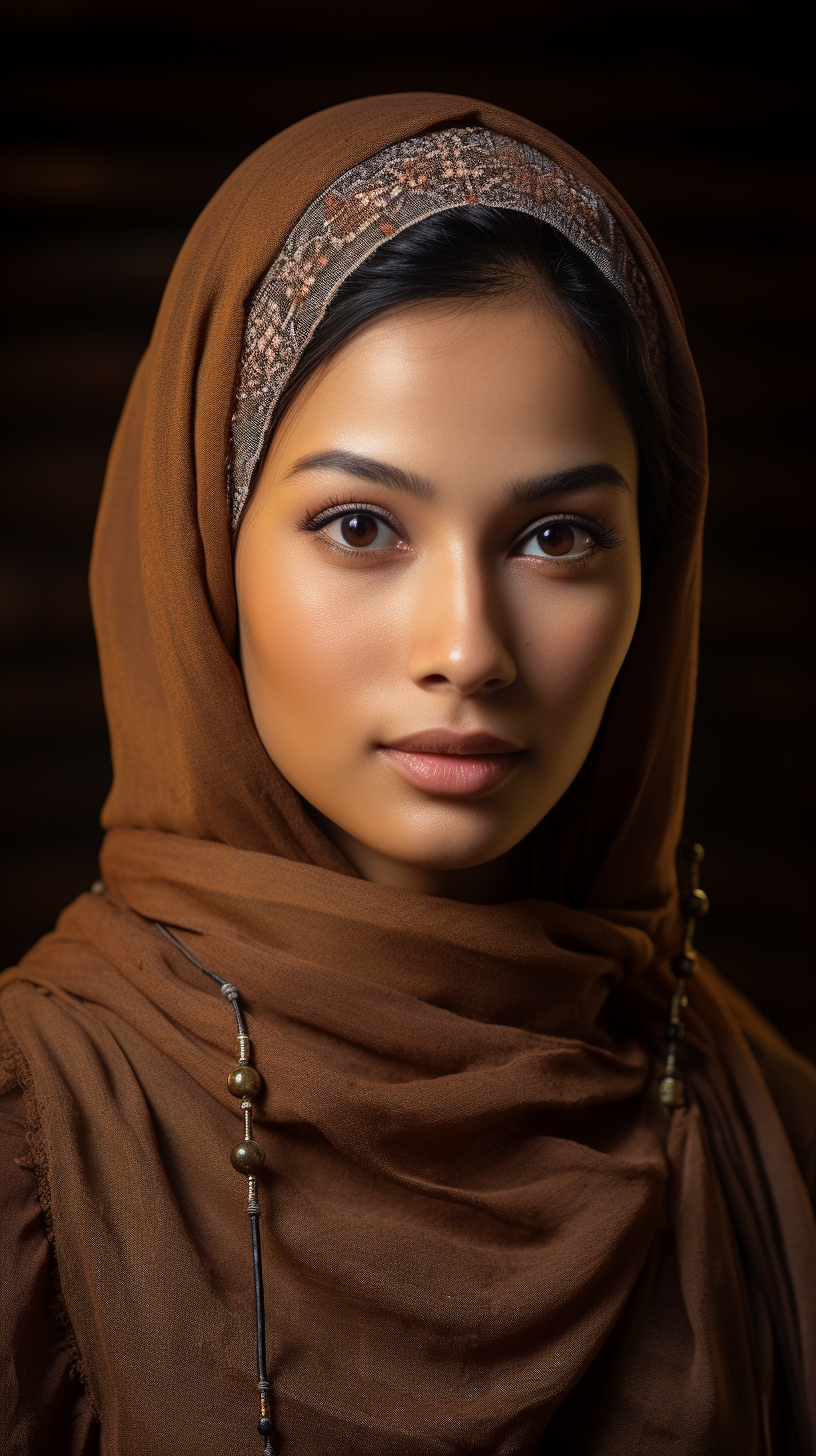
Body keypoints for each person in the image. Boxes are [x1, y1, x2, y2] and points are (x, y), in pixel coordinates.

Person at [1, 93, 814, 1456]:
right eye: (362, 524)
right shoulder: (40, 1147)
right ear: (209, 551)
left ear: (652, 577)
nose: (468, 649)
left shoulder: (765, 1146)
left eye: (556, 536)